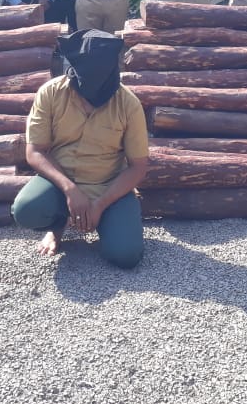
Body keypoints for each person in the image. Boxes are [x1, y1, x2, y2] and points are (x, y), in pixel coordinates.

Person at [11, 29, 149, 268]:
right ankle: (57, 228)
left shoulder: (128, 103)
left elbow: (138, 167)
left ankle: (108, 219)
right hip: (60, 182)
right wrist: (70, 190)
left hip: (108, 185)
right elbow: (35, 151)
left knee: (126, 256)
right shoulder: (51, 93)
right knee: (26, 210)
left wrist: (100, 204)